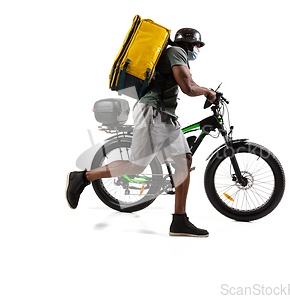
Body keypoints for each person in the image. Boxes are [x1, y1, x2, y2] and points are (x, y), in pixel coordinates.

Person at [65, 28, 216, 237]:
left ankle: (179, 221)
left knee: (184, 161)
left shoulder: (177, 56)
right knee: (135, 166)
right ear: (189, 44)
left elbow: (189, 82)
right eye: (198, 46)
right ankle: (83, 177)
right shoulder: (176, 52)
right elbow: (188, 87)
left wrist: (206, 91)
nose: (198, 50)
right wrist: (208, 92)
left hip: (166, 115)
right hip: (152, 112)